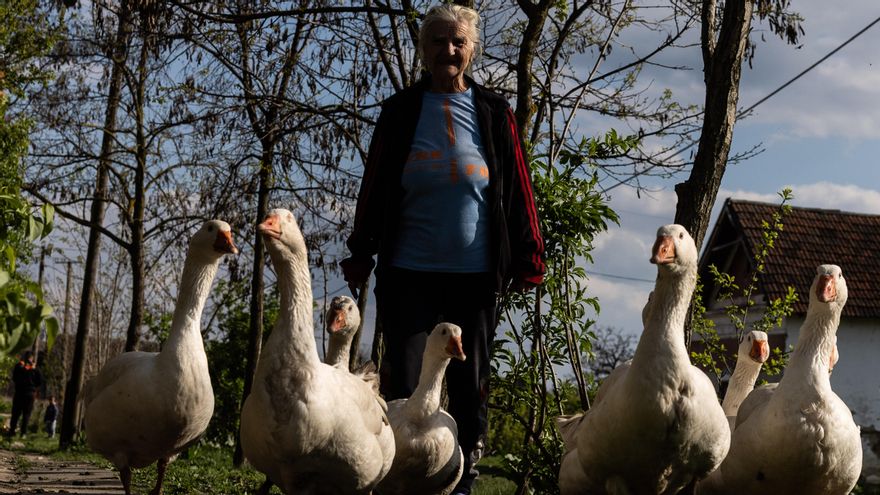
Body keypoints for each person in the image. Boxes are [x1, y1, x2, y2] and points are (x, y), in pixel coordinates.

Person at [340, 5, 545, 494]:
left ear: (471, 50)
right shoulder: (400, 113)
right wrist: (361, 250)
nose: (447, 51)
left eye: (457, 42)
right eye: (437, 41)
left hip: (474, 276)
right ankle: (398, 476)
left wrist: (529, 255)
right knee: (404, 379)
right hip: (408, 271)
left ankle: (463, 475)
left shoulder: (494, 114)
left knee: (471, 384)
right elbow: (376, 187)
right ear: (423, 49)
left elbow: (517, 186)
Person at [8, 350, 42, 438]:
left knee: (15, 413)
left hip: (19, 392)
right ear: (32, 358)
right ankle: (23, 433)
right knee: (26, 414)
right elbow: (40, 381)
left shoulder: (19, 366)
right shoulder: (35, 369)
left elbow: (14, 378)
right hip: (30, 394)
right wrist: (33, 386)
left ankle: (12, 431)